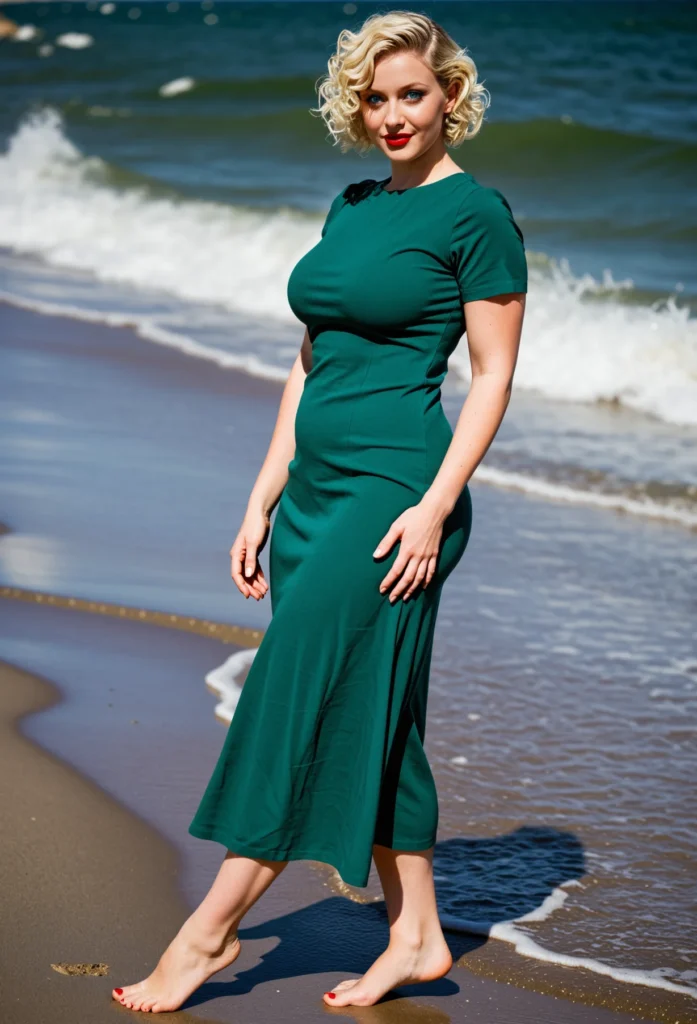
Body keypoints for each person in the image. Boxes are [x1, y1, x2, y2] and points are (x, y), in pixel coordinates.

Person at [112, 9, 527, 1013]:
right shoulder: (350, 207)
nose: (390, 114)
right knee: (375, 718)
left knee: (296, 704)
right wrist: (261, 495)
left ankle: (204, 934)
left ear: (451, 98)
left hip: (394, 501)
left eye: (411, 94)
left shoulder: (476, 216)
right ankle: (418, 933)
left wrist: (435, 506)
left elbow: (494, 374)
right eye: (373, 98)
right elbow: (311, 360)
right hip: (311, 498)